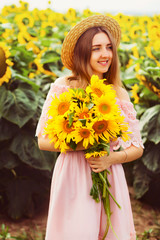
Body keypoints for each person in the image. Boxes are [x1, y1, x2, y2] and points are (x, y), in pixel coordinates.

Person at [36, 15, 144, 240]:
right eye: (96, 48)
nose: (105, 54)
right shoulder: (63, 87)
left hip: (108, 172)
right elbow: (43, 140)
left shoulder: (119, 93)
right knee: (77, 232)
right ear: (83, 52)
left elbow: (137, 146)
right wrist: (81, 139)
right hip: (72, 175)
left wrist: (110, 159)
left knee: (109, 232)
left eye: (108, 48)